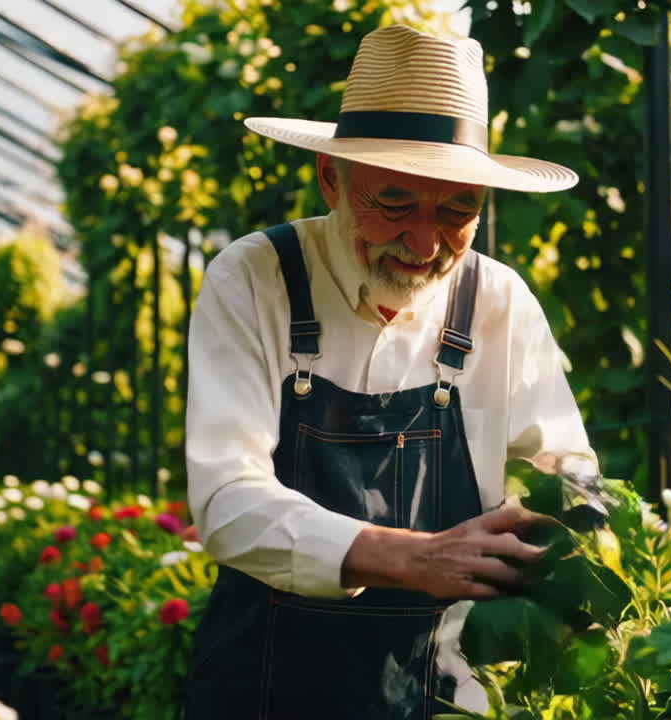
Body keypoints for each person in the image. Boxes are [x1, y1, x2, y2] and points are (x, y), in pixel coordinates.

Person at [183, 23, 597, 719]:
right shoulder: (256, 280)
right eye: (396, 203)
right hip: (262, 691)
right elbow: (225, 502)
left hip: (443, 697)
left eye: (458, 209)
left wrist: (564, 521)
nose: (426, 241)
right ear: (331, 179)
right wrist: (408, 557)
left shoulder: (497, 304)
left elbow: (570, 478)